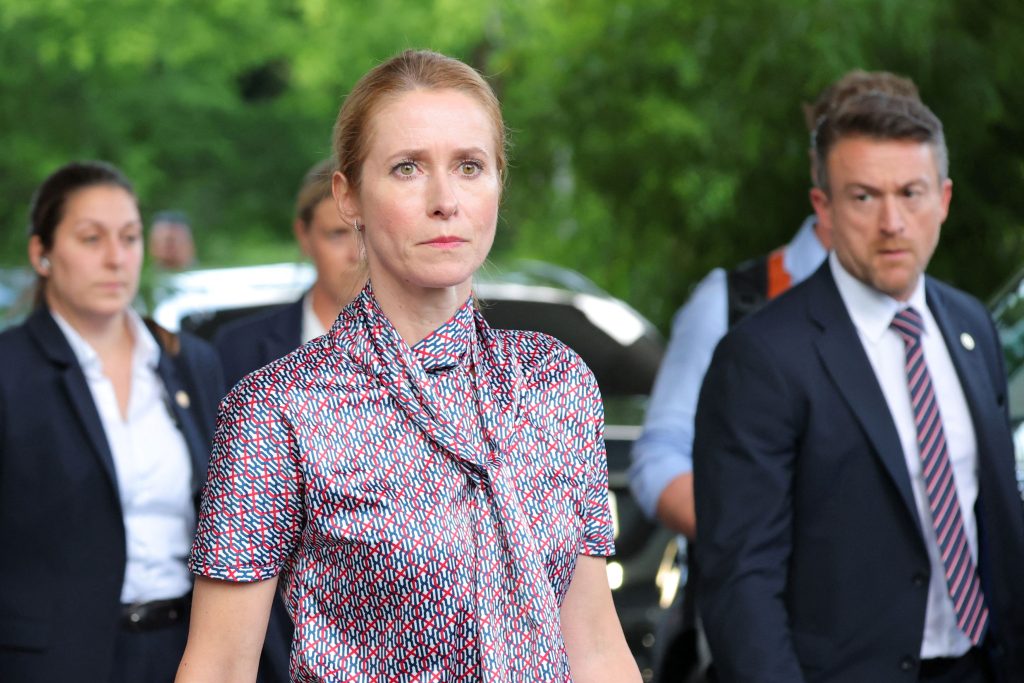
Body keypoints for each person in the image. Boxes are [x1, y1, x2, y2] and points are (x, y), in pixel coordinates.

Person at [176, 49, 640, 682]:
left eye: (470, 166)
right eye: (407, 168)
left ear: (498, 185)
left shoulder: (556, 381)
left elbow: (594, 644)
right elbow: (221, 666)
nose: (445, 200)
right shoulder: (280, 408)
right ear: (349, 197)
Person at [693, 92, 1024, 681]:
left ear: (944, 199)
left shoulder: (971, 324)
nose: (892, 222)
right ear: (823, 207)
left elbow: (996, 520)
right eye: (864, 197)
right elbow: (742, 582)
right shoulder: (761, 358)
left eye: (911, 193)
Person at [628, 69, 919, 679]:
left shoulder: (938, 317)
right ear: (820, 168)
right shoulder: (736, 301)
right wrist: (763, 534)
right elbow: (658, 460)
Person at [0, 161, 223, 681]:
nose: (115, 258)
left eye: (129, 237)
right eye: (91, 238)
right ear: (41, 254)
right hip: (53, 663)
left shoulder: (189, 362)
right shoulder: (10, 370)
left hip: (185, 651)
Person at [213, 158, 366, 389]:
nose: (358, 253)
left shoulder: (421, 343)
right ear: (304, 236)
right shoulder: (239, 350)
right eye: (337, 234)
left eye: (367, 231)